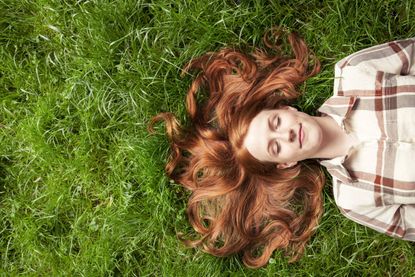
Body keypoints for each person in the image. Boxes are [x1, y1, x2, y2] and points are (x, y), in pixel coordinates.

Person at [149, 29, 415, 268]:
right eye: (275, 147)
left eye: (275, 122)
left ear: (286, 109)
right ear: (286, 163)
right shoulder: (352, 199)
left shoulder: (355, 73)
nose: (285, 134)